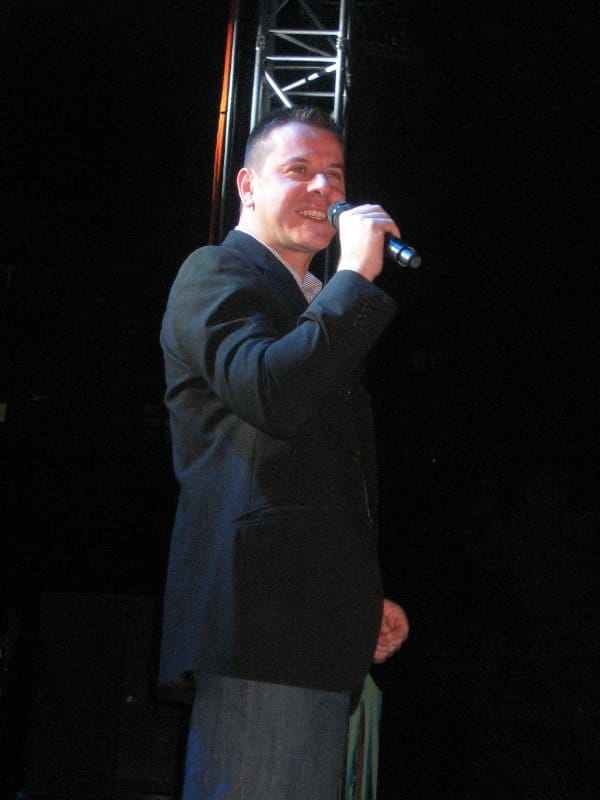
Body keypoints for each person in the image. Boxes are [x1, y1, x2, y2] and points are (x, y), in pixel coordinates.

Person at [159, 105, 409, 799]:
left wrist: (360, 598)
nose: (324, 189)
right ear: (247, 184)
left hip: (314, 627)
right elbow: (272, 393)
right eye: (298, 170)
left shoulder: (313, 304)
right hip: (262, 625)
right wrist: (354, 276)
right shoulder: (214, 271)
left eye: (336, 175)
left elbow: (318, 475)